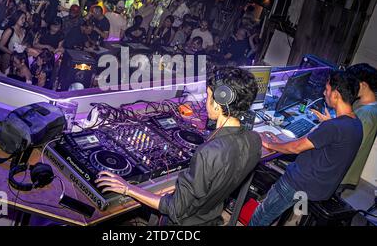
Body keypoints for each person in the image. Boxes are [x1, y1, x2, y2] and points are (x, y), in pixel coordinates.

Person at [95, 67, 261, 225]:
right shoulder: (255, 140)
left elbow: (175, 208)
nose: (205, 102)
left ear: (219, 103)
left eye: (208, 96)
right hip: (212, 216)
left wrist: (128, 188)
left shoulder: (209, 152)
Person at [249, 71, 363, 226]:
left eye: (327, 89)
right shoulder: (356, 123)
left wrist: (269, 143)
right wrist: (328, 124)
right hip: (321, 187)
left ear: (336, 94)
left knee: (260, 217)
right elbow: (333, 140)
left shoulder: (333, 127)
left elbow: (296, 148)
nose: (324, 93)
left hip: (299, 184)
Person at [312, 63, 377, 191]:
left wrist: (330, 126)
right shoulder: (363, 103)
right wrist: (332, 121)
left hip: (341, 173)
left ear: (363, 85)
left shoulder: (366, 113)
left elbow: (350, 144)